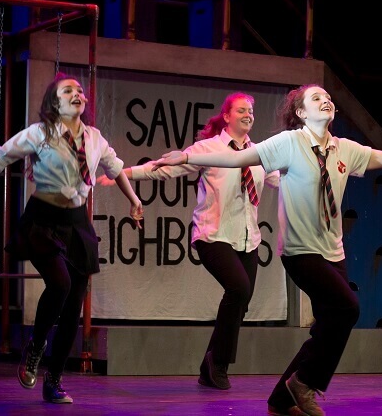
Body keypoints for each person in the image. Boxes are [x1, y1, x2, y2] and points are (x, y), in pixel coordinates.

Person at [150, 84, 382, 416]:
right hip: (300, 250)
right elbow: (237, 157)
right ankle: (303, 383)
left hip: (333, 250)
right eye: (316, 98)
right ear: (301, 112)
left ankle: (281, 400)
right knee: (348, 308)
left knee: (331, 321)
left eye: (328, 98)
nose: (326, 101)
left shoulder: (344, 149)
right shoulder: (289, 143)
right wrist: (188, 156)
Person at [0, 73, 143, 404]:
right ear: (54, 102)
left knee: (74, 304)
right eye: (67, 90)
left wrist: (134, 200)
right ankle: (35, 345)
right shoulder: (39, 133)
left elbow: (115, 168)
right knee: (60, 285)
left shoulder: (94, 138)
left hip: (77, 223)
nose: (77, 94)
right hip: (43, 220)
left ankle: (55, 380)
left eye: (80, 90)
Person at [97, 92, 279, 390]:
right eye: (242, 110)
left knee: (241, 302)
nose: (248, 114)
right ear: (227, 116)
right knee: (239, 288)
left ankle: (210, 364)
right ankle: (218, 365)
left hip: (248, 239)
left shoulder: (258, 154)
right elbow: (164, 169)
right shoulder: (208, 149)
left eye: (251, 111)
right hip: (213, 235)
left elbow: (281, 179)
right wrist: (122, 174)